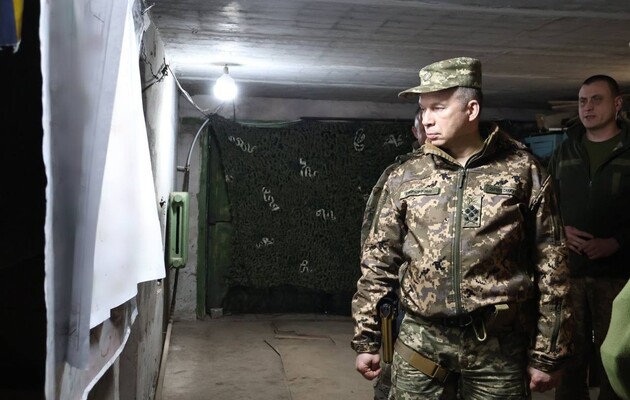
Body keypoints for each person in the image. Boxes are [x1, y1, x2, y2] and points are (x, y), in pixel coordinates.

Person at [351, 56, 573, 399]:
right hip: (421, 341)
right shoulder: (405, 175)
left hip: (498, 347)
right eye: (423, 109)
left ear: (471, 110)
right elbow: (378, 261)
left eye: (438, 108)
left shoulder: (523, 171)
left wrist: (548, 353)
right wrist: (367, 338)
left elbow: (553, 266)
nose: (426, 119)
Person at [548, 75, 630, 400]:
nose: (588, 108)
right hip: (572, 273)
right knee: (568, 356)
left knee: (615, 355)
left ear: (617, 104)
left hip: (619, 276)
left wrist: (618, 242)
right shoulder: (566, 150)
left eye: (597, 99)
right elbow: (546, 204)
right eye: (583, 101)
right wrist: (561, 230)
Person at [361, 107, 426, 400]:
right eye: (423, 125)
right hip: (402, 299)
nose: (430, 128)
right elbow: (375, 243)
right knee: (393, 376)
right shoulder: (400, 175)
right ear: (415, 132)